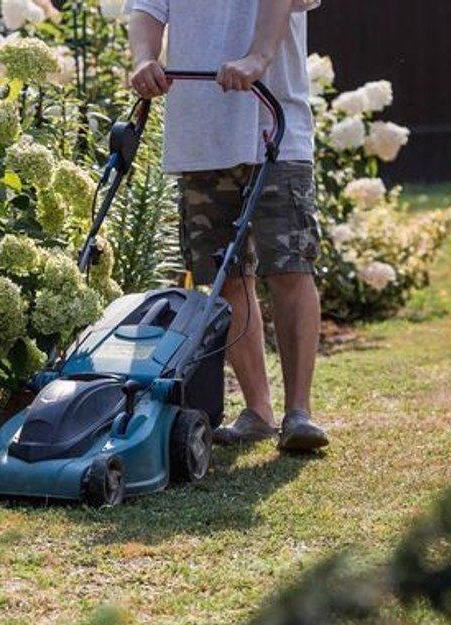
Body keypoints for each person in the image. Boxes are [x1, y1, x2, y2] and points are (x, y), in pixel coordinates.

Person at [127, 0, 329, 452]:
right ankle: (258, 411)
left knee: (290, 266)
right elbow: (146, 10)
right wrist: (144, 60)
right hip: (200, 132)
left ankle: (299, 412)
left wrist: (258, 58)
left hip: (274, 123)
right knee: (225, 277)